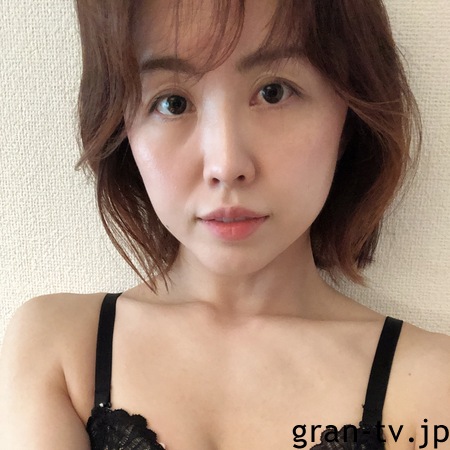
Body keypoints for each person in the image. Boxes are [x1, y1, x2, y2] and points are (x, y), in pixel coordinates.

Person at [0, 0, 449, 449]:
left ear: (348, 115)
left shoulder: (431, 382)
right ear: (122, 127)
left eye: (274, 92)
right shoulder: (59, 350)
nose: (226, 164)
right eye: (173, 102)